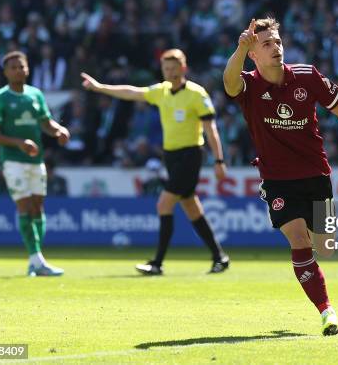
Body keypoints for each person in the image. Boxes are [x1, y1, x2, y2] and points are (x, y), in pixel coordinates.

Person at [223, 18, 338, 336]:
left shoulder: (307, 75)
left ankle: (316, 276)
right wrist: (240, 48)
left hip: (316, 174)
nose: (275, 48)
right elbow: (229, 84)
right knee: (298, 240)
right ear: (254, 55)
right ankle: (327, 312)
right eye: (266, 44)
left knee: (325, 246)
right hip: (277, 180)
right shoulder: (248, 84)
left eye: (277, 41)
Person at [81, 48, 230, 275]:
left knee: (164, 204)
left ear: (183, 68)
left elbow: (211, 129)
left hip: (190, 155)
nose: (169, 72)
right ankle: (220, 257)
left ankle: (157, 263)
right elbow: (132, 92)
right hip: (171, 156)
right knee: (191, 207)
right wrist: (100, 87)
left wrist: (219, 159)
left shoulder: (196, 94)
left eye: (173, 68)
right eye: (166, 68)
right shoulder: (161, 91)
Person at [0, 50, 70, 276]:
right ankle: (37, 260)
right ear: (5, 72)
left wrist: (59, 130)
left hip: (36, 160)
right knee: (23, 206)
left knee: (37, 208)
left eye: (21, 66)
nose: (18, 70)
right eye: (13, 67)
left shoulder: (35, 95)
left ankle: (35, 259)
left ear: (28, 69)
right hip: (13, 161)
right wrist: (19, 142)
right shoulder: (0, 98)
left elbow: (46, 122)